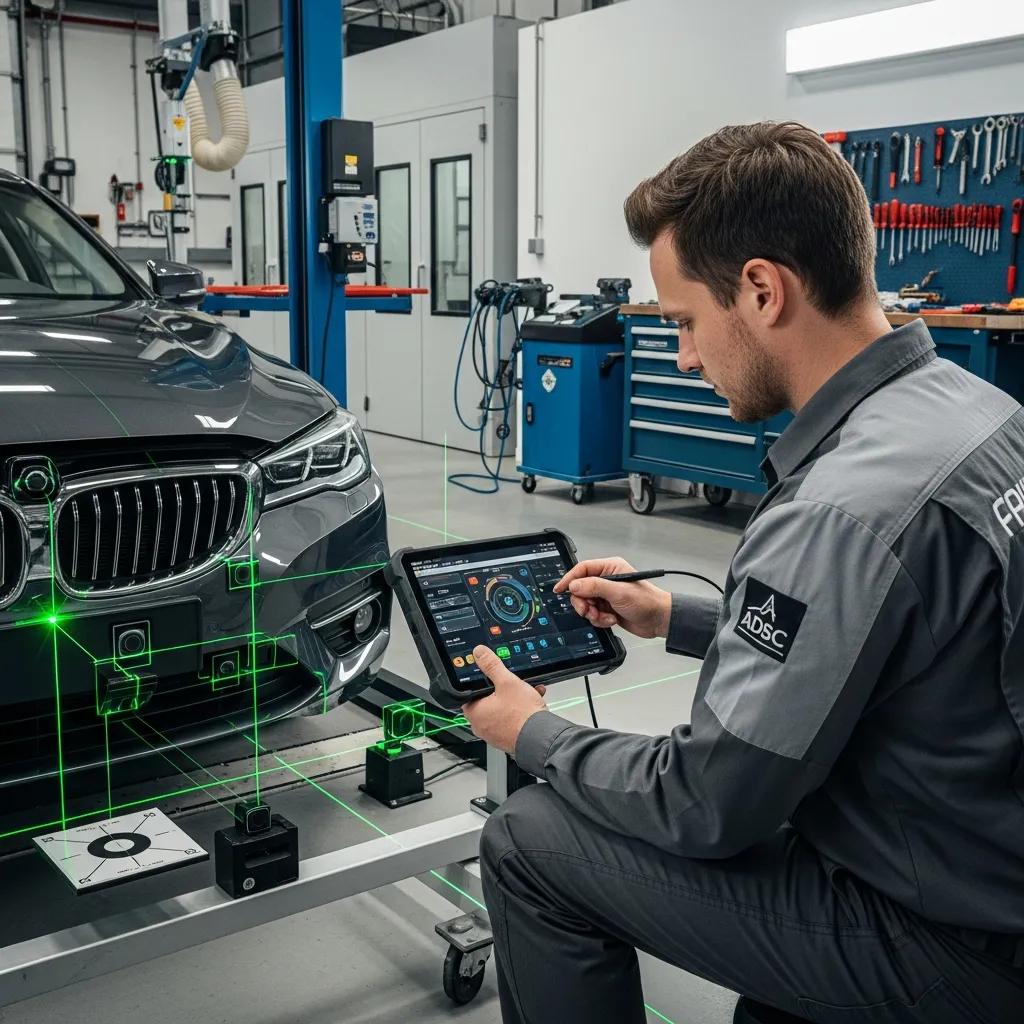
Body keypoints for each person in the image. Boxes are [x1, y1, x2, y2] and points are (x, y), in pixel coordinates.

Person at [461, 122, 1024, 1024]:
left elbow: (708, 804)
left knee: (530, 840)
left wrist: (533, 734)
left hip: (948, 946)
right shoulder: (978, 410)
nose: (683, 355)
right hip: (985, 856)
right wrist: (673, 617)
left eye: (685, 321)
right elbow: (885, 636)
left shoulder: (836, 508)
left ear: (762, 290)